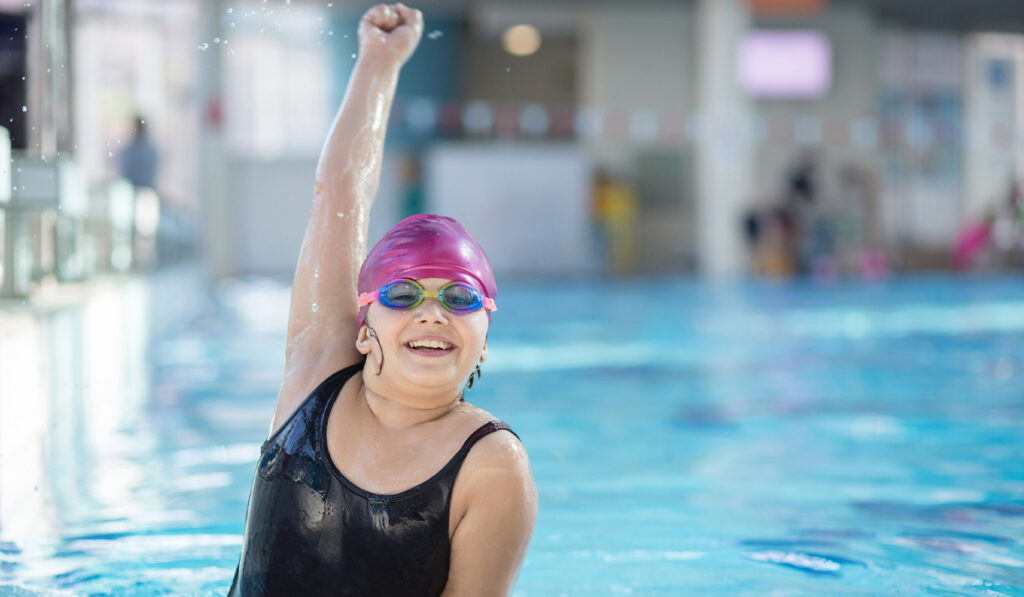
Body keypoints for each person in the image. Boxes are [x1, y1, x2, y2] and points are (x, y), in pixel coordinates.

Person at [228, 5, 537, 596]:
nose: (432, 311)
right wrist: (379, 61)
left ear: (484, 337)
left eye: (460, 296)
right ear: (364, 326)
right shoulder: (316, 370)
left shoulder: (493, 467)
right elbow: (338, 193)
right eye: (402, 293)